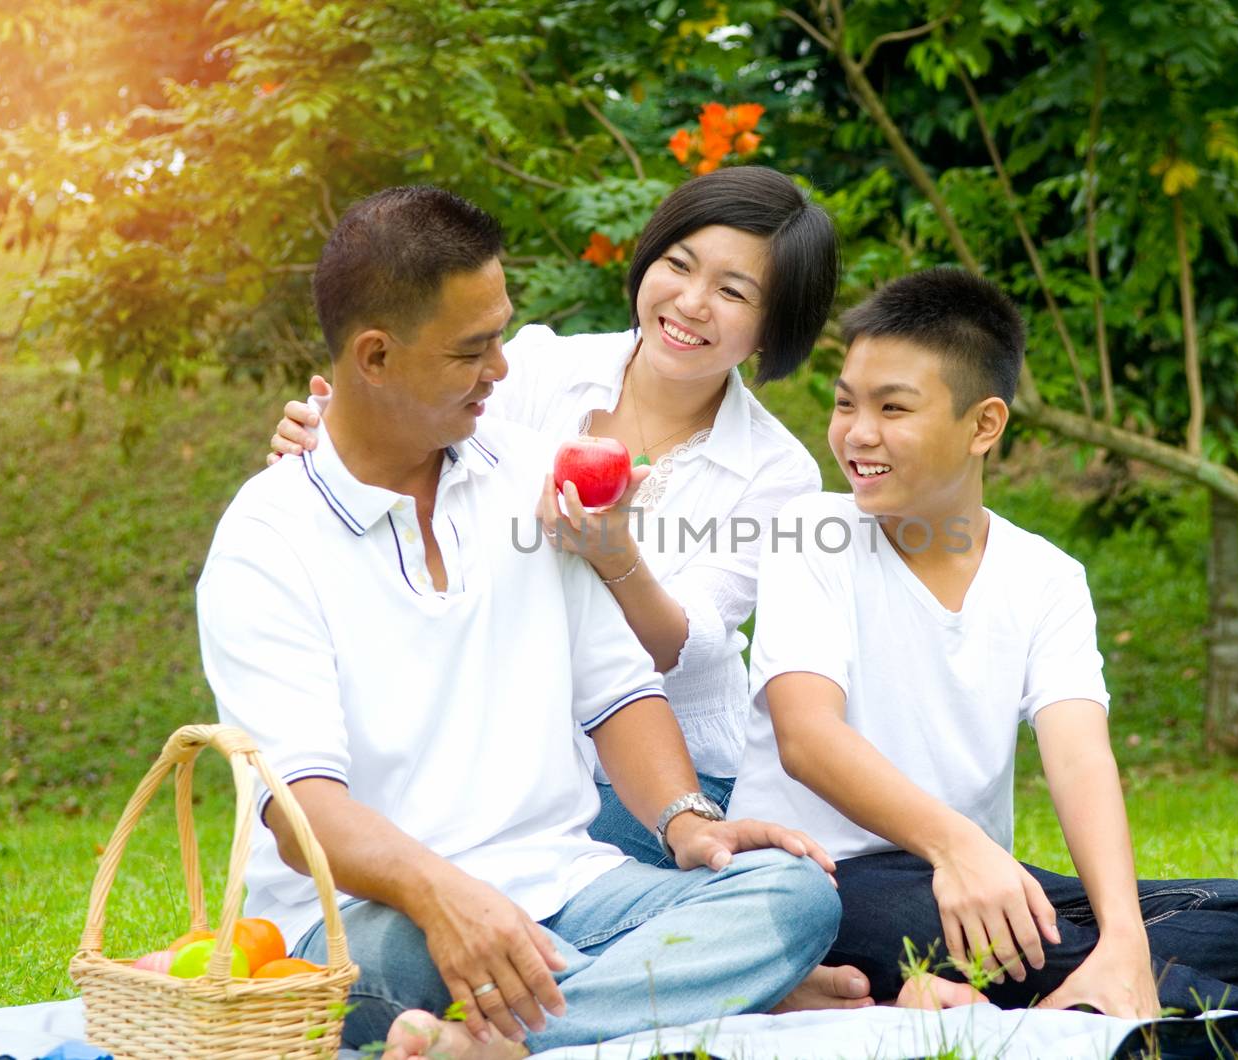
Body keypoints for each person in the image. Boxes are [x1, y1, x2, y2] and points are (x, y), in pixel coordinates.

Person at [725, 267, 1238, 1035]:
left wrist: (1121, 936)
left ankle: (1057, 996)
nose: (857, 433)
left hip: (981, 888)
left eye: (893, 408)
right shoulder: (809, 534)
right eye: (846, 402)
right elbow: (808, 739)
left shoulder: (1044, 576)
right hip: (827, 879)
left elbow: (1080, 758)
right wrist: (958, 848)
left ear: (984, 425)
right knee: (878, 919)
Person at [197, 185, 845, 1060]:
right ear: (376, 358)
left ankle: (499, 1037)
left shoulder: (535, 475)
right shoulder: (267, 539)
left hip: (564, 882)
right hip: (372, 919)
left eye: (501, 336)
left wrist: (692, 825)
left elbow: (620, 691)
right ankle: (702, 996)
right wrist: (445, 898)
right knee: (404, 958)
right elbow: (302, 807)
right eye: (475, 349)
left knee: (790, 896)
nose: (504, 370)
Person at [267, 166, 837, 870]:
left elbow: (670, 649)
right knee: (432, 865)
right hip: (499, 752)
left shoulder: (777, 473)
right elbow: (408, 459)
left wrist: (613, 553)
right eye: (678, 265)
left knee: (535, 884)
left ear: (772, 331)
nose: (691, 303)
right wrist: (327, 444)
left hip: (657, 778)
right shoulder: (532, 369)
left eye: (732, 292)